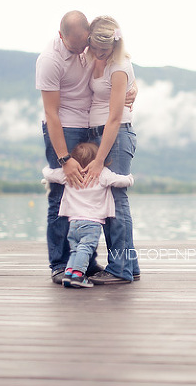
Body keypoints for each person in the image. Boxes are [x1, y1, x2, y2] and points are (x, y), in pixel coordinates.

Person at [35, 10, 136, 284]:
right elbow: (51, 114)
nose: (86, 52)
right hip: (65, 130)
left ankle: (102, 264)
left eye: (87, 45)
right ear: (62, 36)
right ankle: (61, 264)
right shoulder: (50, 61)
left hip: (96, 131)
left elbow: (120, 72)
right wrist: (64, 158)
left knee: (102, 195)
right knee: (61, 194)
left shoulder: (94, 50)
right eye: (80, 46)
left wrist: (133, 86)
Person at [83, 16, 140, 285]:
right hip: (99, 135)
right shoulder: (93, 56)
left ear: (114, 45)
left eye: (103, 50)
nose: (98, 53)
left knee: (117, 203)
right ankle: (130, 265)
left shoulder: (119, 67)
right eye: (94, 48)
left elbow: (115, 118)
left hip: (115, 137)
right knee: (110, 203)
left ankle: (120, 268)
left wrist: (99, 159)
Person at [42, 142, 134, 288]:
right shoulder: (102, 173)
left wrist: (47, 168)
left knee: (75, 249)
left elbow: (49, 174)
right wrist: (130, 178)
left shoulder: (68, 175)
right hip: (92, 223)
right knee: (85, 248)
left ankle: (68, 274)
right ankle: (78, 276)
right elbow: (121, 181)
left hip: (73, 222)